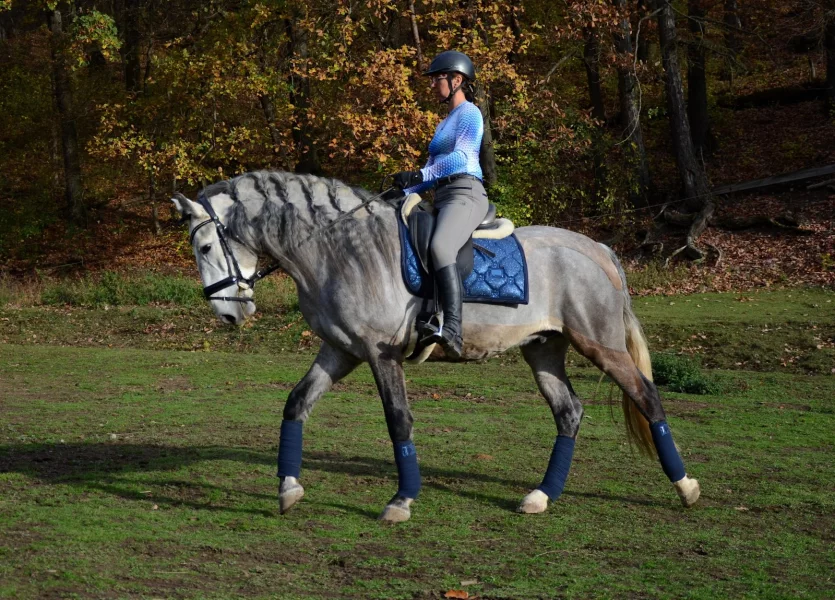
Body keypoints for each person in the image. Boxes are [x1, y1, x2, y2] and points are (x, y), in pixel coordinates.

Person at [391, 50, 488, 360]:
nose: (433, 85)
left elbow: (460, 158)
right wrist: (405, 190)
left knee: (441, 247)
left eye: (438, 79)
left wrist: (420, 174)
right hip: (443, 196)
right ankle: (425, 315)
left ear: (456, 79)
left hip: (466, 192)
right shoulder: (443, 122)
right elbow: (431, 171)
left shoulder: (470, 113)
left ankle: (454, 331)